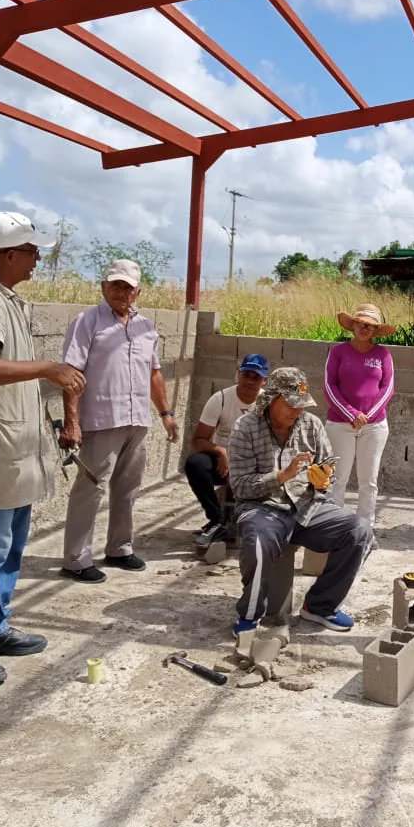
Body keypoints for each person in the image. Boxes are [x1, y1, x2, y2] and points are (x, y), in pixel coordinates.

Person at [0, 212, 85, 688]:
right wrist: (47, 366)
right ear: (9, 254)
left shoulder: (7, 299)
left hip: (16, 447)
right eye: (31, 252)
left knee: (8, 547)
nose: (36, 260)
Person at [227, 367, 373, 635]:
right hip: (262, 506)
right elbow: (239, 486)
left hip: (308, 505)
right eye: (290, 405)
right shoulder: (245, 427)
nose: (296, 412)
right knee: (257, 541)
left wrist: (323, 479)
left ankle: (320, 606)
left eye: (301, 406)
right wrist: (282, 476)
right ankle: (250, 615)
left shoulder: (311, 424)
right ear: (272, 399)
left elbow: (327, 465)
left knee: (359, 531)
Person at [58, 259, 178, 583]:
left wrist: (166, 413)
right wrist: (71, 421)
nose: (121, 292)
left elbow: (154, 374)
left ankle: (119, 548)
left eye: (128, 287)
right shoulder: (87, 322)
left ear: (138, 292)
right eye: (116, 285)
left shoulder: (147, 327)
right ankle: (76, 559)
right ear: (103, 286)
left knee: (128, 487)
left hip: (137, 419)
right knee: (90, 488)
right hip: (99, 420)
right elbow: (71, 374)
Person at [185, 353, 269, 551]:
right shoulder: (221, 399)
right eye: (246, 375)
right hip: (223, 465)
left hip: (254, 464)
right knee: (195, 464)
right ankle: (217, 521)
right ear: (238, 374)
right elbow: (198, 440)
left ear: (265, 380)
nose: (250, 381)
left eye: (256, 377)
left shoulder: (268, 404)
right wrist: (221, 452)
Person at [324, 304, 395, 527]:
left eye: (371, 326)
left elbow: (388, 388)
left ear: (376, 330)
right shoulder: (338, 352)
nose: (365, 328)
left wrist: (367, 415)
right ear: (353, 325)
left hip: (374, 426)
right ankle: (333, 526)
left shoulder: (383, 354)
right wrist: (351, 413)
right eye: (361, 323)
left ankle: (365, 527)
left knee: (368, 480)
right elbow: (329, 385)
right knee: (337, 478)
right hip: (340, 424)